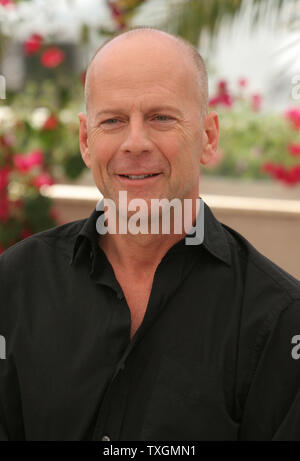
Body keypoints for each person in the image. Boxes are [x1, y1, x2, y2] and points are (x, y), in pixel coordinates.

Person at [1, 26, 300, 442]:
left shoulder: (280, 319)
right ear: (86, 141)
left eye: (161, 117)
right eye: (113, 121)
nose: (135, 142)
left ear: (208, 138)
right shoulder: (14, 285)